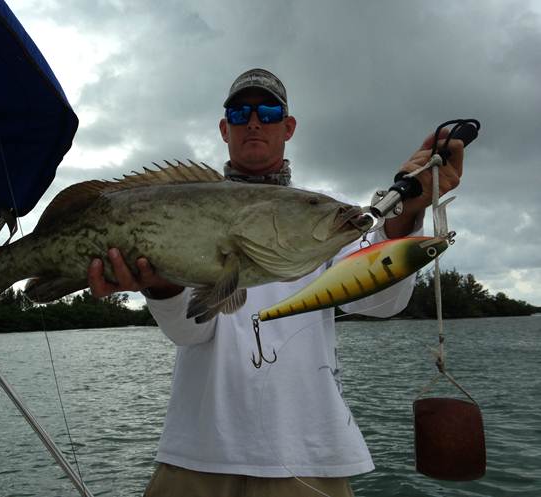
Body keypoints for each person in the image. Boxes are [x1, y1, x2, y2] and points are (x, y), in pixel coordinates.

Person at [87, 68, 464, 497]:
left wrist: (406, 213)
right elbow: (189, 332)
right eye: (240, 113)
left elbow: (382, 302)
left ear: (288, 128)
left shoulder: (322, 219)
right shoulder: (191, 208)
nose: (254, 122)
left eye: (268, 112)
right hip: (198, 453)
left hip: (308, 456)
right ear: (225, 129)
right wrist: (161, 287)